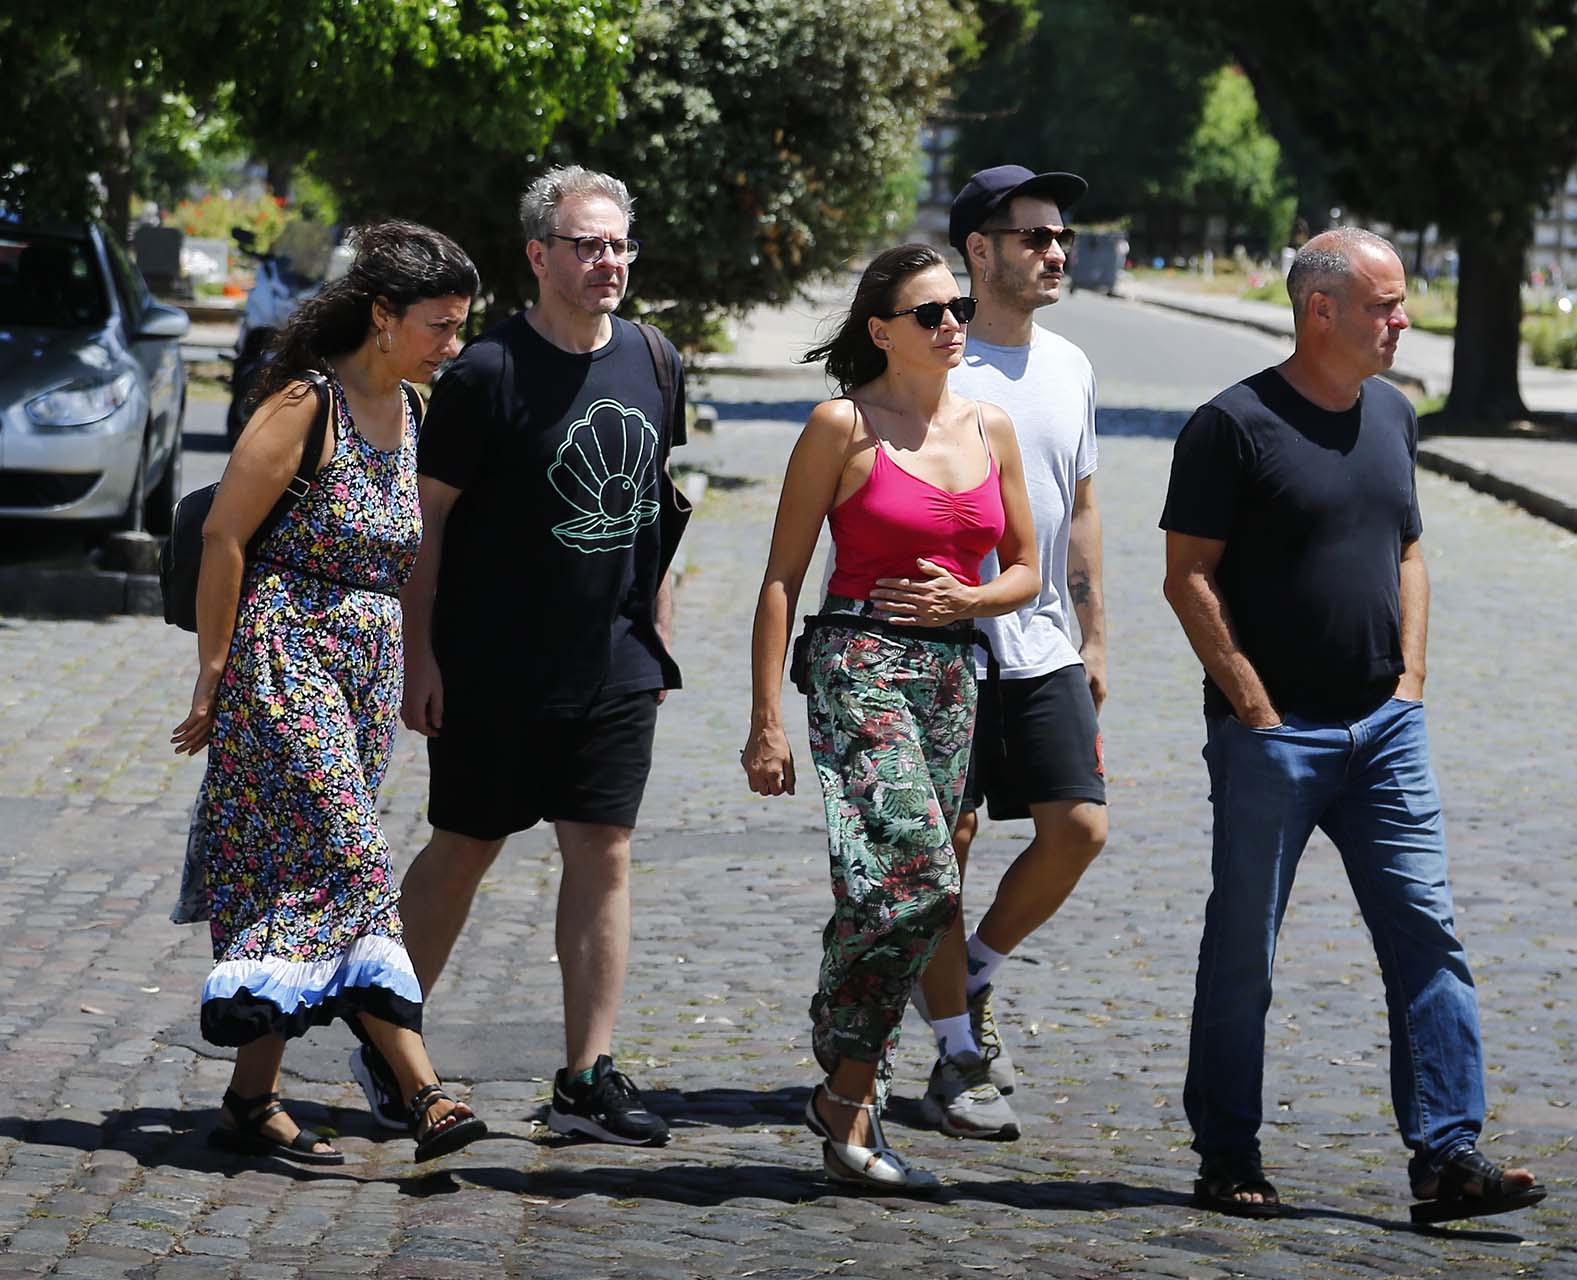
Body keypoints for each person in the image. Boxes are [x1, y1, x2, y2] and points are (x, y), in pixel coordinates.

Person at [1160, 228, 1545, 1224]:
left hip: (1386, 731)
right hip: (1272, 738)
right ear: (1318, 309)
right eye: (1383, 305)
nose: (1401, 321)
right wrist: (1250, 702)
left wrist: (1410, 680)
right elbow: (1187, 574)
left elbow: (1408, 550)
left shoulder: (1393, 414)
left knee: (1428, 934)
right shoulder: (1231, 425)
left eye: (1402, 302)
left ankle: (1447, 1155)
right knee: (1246, 948)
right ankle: (1227, 1150)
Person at [369, 166, 688, 1147]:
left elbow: (659, 502)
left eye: (620, 243)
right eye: (587, 244)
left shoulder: (656, 356)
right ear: (539, 255)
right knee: (465, 845)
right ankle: (390, 1043)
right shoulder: (486, 373)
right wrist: (419, 659)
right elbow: (425, 529)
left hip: (615, 663)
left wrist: (659, 635)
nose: (609, 261)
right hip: (494, 664)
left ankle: (587, 1075)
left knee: (603, 852)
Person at [170, 220, 487, 1165]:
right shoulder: (306, 406)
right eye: (439, 324)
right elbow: (226, 536)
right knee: (349, 855)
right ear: (383, 317)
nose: (452, 344)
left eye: (461, 325)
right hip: (282, 654)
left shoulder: (420, 414)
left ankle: (249, 1094)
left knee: (292, 870)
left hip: (365, 662)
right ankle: (421, 1088)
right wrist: (214, 673)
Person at [741, 243, 1039, 1192]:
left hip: (954, 672)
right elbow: (783, 575)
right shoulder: (842, 426)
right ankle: (847, 1065)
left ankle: (843, 1088)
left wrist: (971, 604)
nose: (954, 322)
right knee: (911, 881)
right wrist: (765, 721)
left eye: (958, 307)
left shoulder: (992, 427)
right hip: (856, 660)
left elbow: (1026, 569)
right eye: (930, 312)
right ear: (881, 332)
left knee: (914, 885)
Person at [912, 165, 1109, 1142]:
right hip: (941, 648)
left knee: (1078, 825)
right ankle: (956, 1052)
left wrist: (1096, 631)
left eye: (1060, 236)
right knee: (942, 849)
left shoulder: (1071, 365)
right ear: (978, 251)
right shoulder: (932, 362)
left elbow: (1082, 505)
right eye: (1034, 236)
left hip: (1043, 648)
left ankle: (976, 967)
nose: (1055, 252)